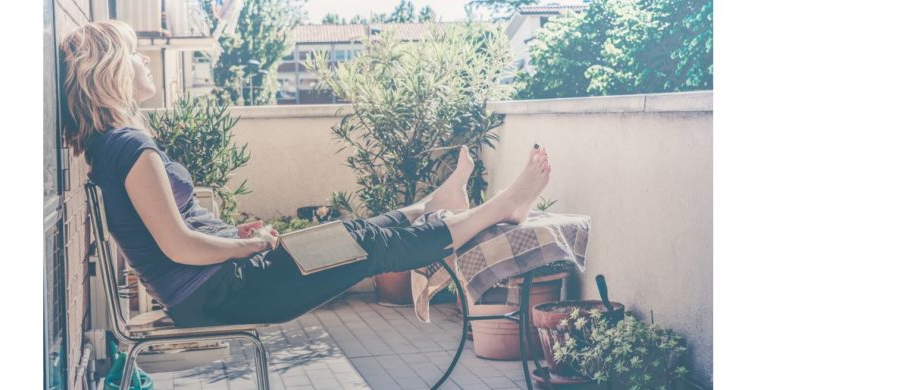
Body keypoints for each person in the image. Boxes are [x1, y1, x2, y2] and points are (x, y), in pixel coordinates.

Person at [59, 20, 552, 327]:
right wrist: (245, 246)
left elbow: (178, 234)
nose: (145, 60)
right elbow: (178, 246)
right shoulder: (129, 147)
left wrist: (235, 234)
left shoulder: (114, 146)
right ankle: (498, 208)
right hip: (226, 291)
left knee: (358, 232)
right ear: (113, 69)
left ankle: (429, 207)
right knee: (368, 246)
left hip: (224, 283)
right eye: (135, 54)